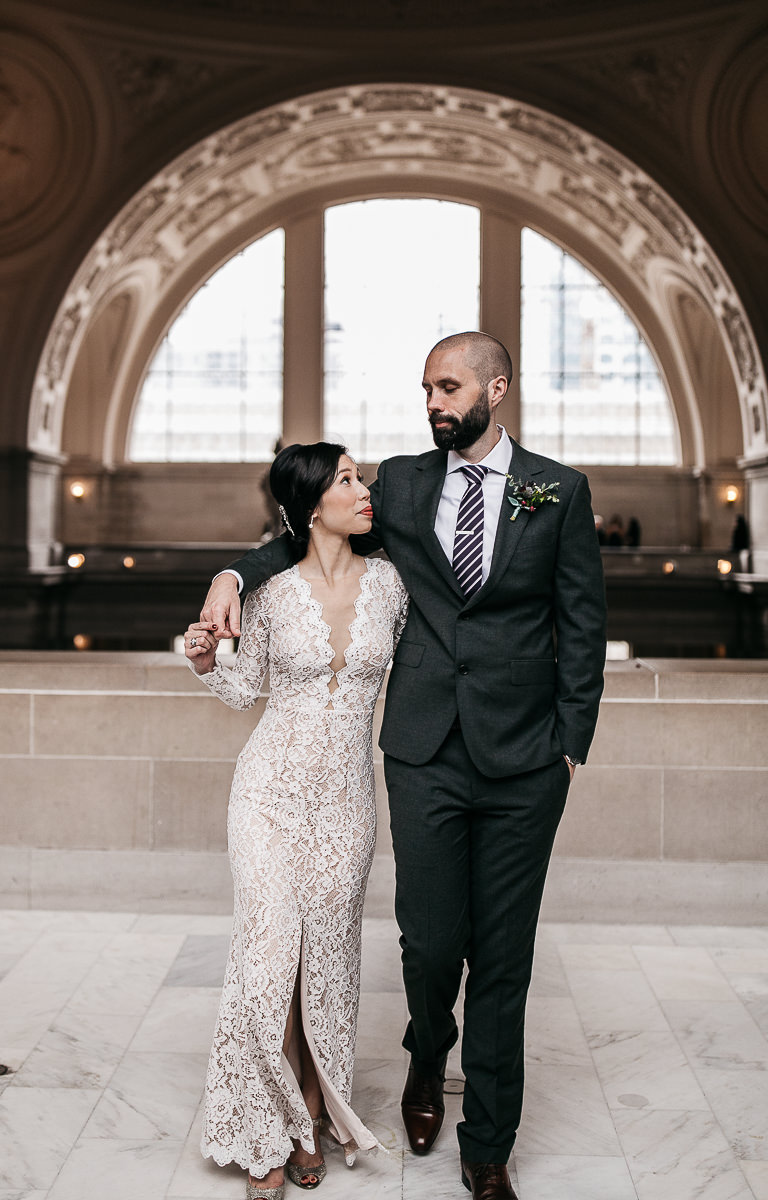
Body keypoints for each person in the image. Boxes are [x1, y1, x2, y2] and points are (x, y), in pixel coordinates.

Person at [200, 332, 607, 1200]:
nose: (434, 402)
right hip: (423, 752)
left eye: (449, 386)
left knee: (505, 956)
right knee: (427, 946)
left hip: (526, 758)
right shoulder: (406, 482)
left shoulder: (558, 491)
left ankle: (487, 1146)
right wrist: (234, 573)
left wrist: (572, 744)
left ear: (496, 388)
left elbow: (583, 622)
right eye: (426, 387)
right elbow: (308, 528)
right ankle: (428, 1054)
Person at [185, 442, 408, 1199]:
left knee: (331, 961)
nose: (364, 487)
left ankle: (311, 1111)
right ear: (313, 504)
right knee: (268, 960)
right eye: (348, 479)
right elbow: (243, 690)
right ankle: (263, 1132)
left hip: (348, 799)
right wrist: (206, 659)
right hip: (270, 794)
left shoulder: (392, 586)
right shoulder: (272, 592)